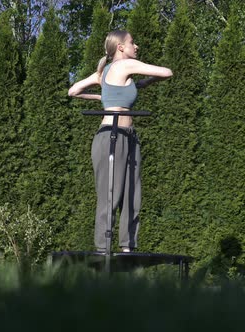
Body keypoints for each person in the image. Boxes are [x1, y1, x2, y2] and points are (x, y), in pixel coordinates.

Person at [68, 30, 172, 253]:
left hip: (129, 135)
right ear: (121, 48)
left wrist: (103, 95)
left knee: (132, 194)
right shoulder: (124, 66)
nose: (137, 46)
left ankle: (127, 249)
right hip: (111, 136)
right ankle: (103, 251)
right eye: (132, 42)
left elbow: (74, 91)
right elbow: (167, 71)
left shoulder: (103, 73)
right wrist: (104, 97)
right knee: (110, 195)